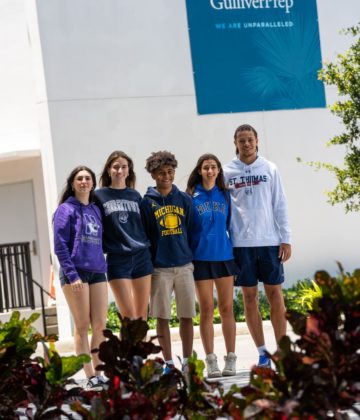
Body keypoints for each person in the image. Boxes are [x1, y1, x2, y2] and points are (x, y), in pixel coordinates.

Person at [223, 124, 292, 368]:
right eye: (242, 140)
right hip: (241, 245)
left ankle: (283, 351)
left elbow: (280, 204)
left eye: (250, 139)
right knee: (249, 298)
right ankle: (263, 353)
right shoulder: (227, 171)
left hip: (270, 242)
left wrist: (286, 238)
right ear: (235, 143)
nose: (246, 144)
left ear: (257, 140)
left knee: (276, 295)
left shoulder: (270, 168)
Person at [140, 151, 195, 373]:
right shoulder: (146, 203)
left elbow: (190, 230)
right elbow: (145, 234)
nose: (167, 176)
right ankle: (169, 363)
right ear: (153, 174)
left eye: (170, 172)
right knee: (162, 316)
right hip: (159, 268)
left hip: (184, 265)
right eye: (161, 172)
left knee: (187, 315)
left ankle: (188, 361)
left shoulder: (184, 200)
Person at [53, 165, 108, 388]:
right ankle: (89, 376)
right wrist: (72, 275)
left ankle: (99, 371)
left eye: (87, 178)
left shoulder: (96, 209)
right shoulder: (65, 209)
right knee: (82, 325)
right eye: (79, 178)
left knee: (99, 325)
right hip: (75, 273)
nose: (84, 181)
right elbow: (60, 245)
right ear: (73, 184)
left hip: (97, 271)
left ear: (93, 183)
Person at [186, 154, 239, 377]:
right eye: (206, 167)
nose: (210, 171)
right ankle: (211, 361)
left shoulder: (225, 194)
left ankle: (231, 358)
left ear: (218, 171)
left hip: (224, 257)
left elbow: (230, 225)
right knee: (206, 310)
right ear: (200, 170)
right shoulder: (190, 196)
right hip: (201, 259)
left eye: (214, 167)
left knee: (227, 309)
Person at [95, 151, 152, 321]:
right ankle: (126, 348)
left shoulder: (135, 195)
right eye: (116, 167)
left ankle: (140, 348)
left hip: (142, 255)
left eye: (124, 167)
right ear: (108, 170)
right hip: (118, 258)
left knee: (141, 317)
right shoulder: (99, 196)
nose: (120, 171)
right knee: (129, 317)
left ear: (128, 171)